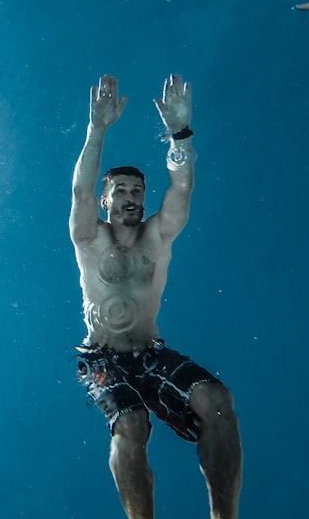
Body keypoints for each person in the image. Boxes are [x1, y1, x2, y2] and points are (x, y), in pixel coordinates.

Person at [69, 73, 243, 519]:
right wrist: (97, 129)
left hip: (151, 352)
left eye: (138, 191)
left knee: (217, 402)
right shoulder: (89, 237)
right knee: (130, 425)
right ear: (106, 200)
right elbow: (78, 189)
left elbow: (181, 187)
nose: (131, 197)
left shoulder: (157, 236)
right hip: (102, 358)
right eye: (121, 191)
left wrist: (180, 133)